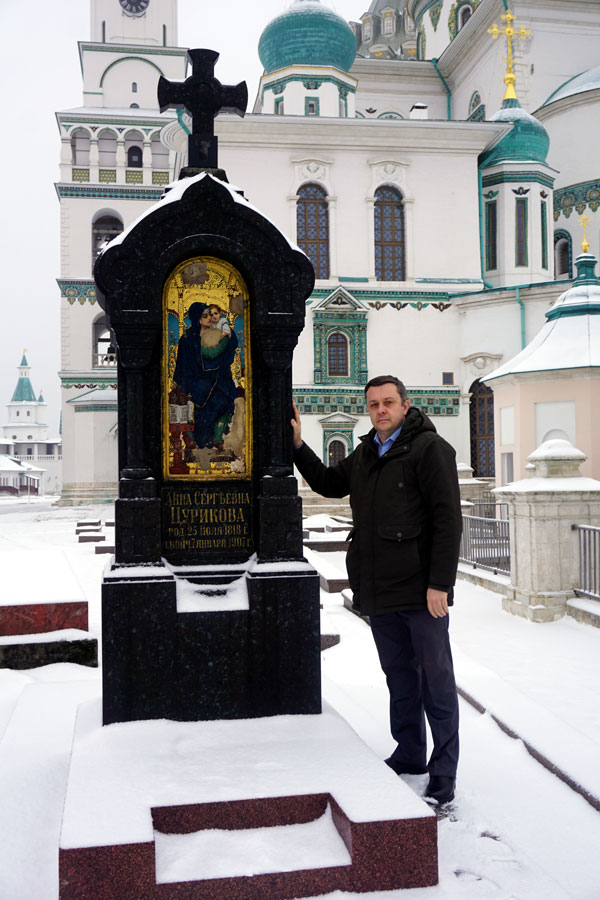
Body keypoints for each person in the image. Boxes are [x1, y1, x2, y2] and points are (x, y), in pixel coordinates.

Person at [291, 375, 462, 804]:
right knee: (400, 678)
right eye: (373, 404)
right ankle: (410, 753)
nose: (381, 410)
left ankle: (444, 771)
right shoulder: (368, 452)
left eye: (388, 402)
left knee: (437, 682)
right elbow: (329, 483)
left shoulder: (430, 449)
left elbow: (447, 520)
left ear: (405, 405)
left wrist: (440, 584)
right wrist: (296, 445)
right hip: (381, 590)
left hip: (421, 592)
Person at [172, 302, 239, 450]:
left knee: (224, 401)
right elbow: (182, 363)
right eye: (205, 316)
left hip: (219, 380)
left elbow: (229, 346)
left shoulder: (217, 331)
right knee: (199, 416)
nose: (210, 318)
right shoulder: (188, 338)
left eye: (210, 314)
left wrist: (228, 334)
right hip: (197, 383)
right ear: (197, 318)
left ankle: (217, 439)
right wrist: (179, 383)